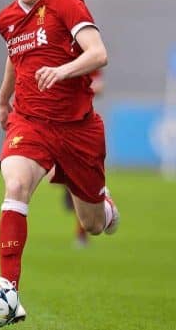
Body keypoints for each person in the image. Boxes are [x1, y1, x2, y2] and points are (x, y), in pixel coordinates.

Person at [0, 0, 119, 323]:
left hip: (78, 130)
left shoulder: (66, 2)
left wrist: (62, 70)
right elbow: (16, 57)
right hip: (29, 121)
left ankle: (106, 207)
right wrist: (3, 100)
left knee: (92, 224)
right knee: (15, 185)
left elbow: (99, 53)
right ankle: (8, 294)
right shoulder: (7, 19)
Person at [62, 70, 104, 247]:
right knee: (59, 178)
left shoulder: (84, 53)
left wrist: (76, 88)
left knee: (78, 185)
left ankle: (81, 235)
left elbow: (100, 85)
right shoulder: (46, 52)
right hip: (54, 125)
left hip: (80, 127)